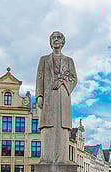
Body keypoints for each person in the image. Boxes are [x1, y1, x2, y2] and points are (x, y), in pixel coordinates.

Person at [35, 31, 77, 164]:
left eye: (59, 38)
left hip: (63, 96)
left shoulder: (69, 60)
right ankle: (46, 159)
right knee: (48, 126)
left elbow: (74, 79)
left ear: (63, 42)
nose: (56, 40)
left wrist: (64, 82)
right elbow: (39, 78)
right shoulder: (44, 59)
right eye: (53, 38)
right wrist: (39, 95)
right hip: (48, 96)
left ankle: (62, 159)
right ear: (50, 42)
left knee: (62, 127)